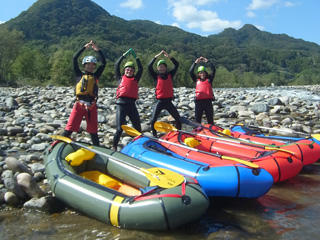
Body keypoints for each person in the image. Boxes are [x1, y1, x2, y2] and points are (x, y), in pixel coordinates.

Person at [62, 40, 106, 146]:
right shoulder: (79, 74)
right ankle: (58, 144)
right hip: (79, 104)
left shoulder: (96, 76)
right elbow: (74, 59)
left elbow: (104, 63)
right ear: (84, 65)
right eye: (88, 65)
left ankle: (97, 150)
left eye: (92, 65)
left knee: (93, 132)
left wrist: (98, 50)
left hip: (91, 105)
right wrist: (84, 48)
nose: (90, 67)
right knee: (70, 128)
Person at [113, 48, 143, 150]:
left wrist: (136, 57)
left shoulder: (136, 78)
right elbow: (116, 65)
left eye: (131, 69)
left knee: (138, 128)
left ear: (133, 71)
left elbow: (141, 68)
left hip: (131, 104)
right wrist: (123, 55)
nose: (129, 70)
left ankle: (139, 145)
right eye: (127, 69)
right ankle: (114, 146)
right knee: (119, 129)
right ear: (124, 70)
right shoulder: (120, 78)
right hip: (121, 104)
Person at [148, 50, 181, 137]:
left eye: (163, 66)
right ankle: (155, 136)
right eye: (160, 67)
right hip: (159, 102)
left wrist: (169, 56)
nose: (161, 68)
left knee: (178, 119)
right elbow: (149, 66)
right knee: (153, 120)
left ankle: (179, 134)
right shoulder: (156, 76)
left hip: (168, 102)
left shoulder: (170, 74)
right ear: (158, 68)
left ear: (165, 68)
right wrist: (156, 57)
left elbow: (177, 64)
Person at [189, 56, 216, 124]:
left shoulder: (209, 79)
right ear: (198, 74)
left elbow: (213, 69)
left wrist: (207, 61)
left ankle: (211, 131)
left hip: (208, 102)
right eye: (200, 73)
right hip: (199, 102)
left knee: (210, 119)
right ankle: (197, 132)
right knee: (197, 120)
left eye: (203, 72)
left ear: (206, 73)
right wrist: (195, 63)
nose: (202, 74)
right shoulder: (196, 80)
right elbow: (190, 71)